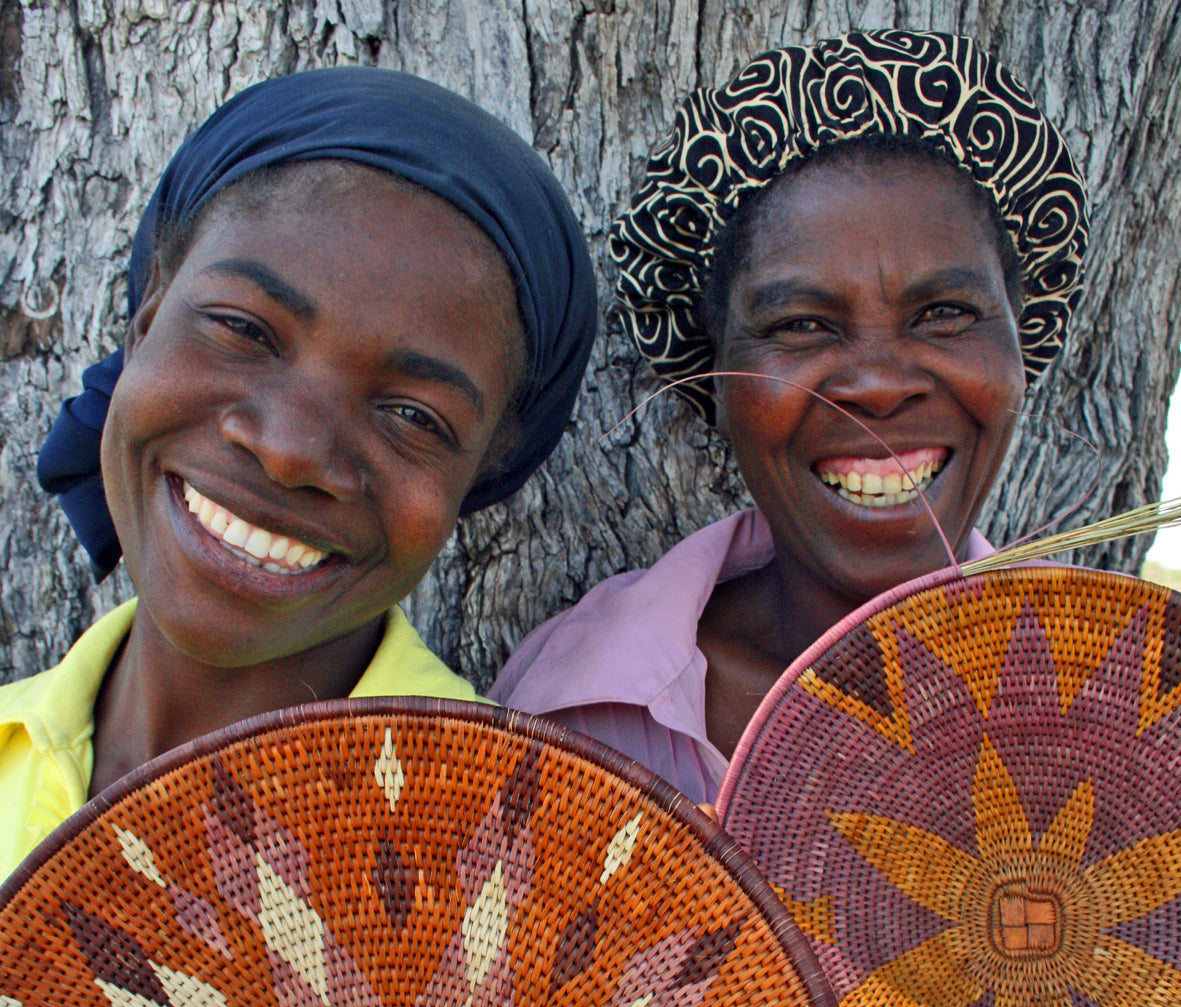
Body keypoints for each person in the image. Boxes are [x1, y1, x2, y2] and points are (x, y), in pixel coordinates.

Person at [0, 67, 596, 881]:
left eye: (414, 415)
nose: (287, 449)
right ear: (145, 321)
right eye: (243, 329)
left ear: (485, 471)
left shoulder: (528, 874)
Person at [493, 30, 1088, 805]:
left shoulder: (1124, 700)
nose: (877, 387)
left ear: (1018, 342)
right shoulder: (578, 709)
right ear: (717, 371)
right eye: (802, 324)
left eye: (945, 312)